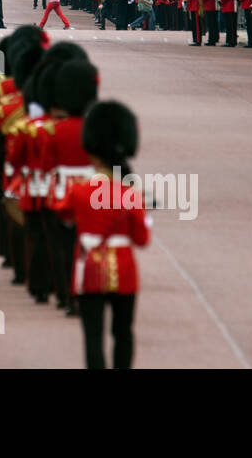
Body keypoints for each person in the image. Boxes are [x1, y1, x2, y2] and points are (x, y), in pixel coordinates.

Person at [69, 101, 150, 369]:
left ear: (93, 153)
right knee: (123, 333)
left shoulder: (80, 192)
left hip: (90, 266)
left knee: (93, 335)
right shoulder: (131, 195)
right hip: (125, 268)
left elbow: (64, 214)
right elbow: (142, 239)